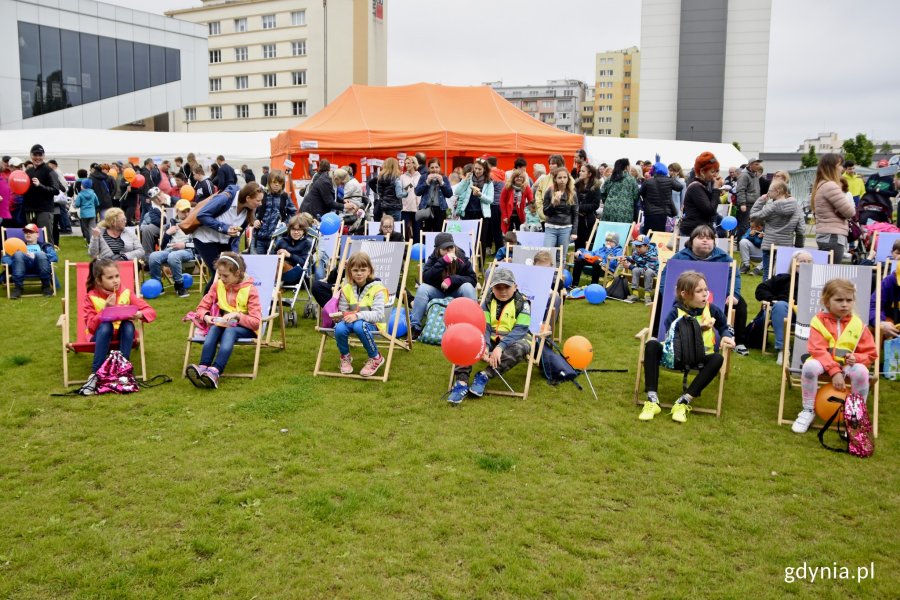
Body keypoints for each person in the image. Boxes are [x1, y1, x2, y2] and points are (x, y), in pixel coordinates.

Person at [638, 270, 735, 423]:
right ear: (685, 294)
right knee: (651, 344)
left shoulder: (712, 309)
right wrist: (698, 328)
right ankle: (652, 399)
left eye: (705, 290)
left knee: (717, 358)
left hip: (699, 358)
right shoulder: (674, 312)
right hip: (674, 356)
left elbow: (725, 326)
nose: (705, 294)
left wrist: (726, 336)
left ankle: (684, 401)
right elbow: (673, 336)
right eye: (699, 291)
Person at [792, 278, 877, 433]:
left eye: (849, 300)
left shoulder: (858, 325)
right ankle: (808, 410)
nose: (844, 304)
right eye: (839, 300)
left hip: (848, 366)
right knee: (809, 367)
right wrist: (835, 371)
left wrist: (857, 358)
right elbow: (817, 349)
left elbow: (871, 353)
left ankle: (855, 417)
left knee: (862, 371)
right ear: (826, 301)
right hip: (823, 362)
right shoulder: (818, 321)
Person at [658, 225, 750, 356]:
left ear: (714, 241)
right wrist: (666, 293)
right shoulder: (680, 257)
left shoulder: (723, 257)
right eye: (700, 237)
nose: (705, 240)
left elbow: (734, 276)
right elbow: (665, 278)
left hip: (713, 296)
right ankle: (658, 333)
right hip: (686, 297)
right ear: (691, 241)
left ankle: (739, 341)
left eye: (709, 238)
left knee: (740, 303)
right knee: (661, 299)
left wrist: (733, 294)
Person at [447, 267, 532, 405]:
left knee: (521, 347)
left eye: (507, 287)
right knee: (465, 341)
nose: (503, 290)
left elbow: (520, 329)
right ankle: (461, 382)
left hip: (514, 339)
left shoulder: (523, 303)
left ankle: (484, 375)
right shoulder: (487, 302)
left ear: (515, 287)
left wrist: (500, 347)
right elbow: (484, 326)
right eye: (498, 287)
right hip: (491, 337)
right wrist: (484, 345)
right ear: (492, 288)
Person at [79, 258, 157, 395]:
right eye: (110, 277)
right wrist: (105, 309)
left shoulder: (126, 293)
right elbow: (91, 327)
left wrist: (138, 314)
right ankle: (95, 374)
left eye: (117, 276)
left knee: (127, 324)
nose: (115, 280)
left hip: (122, 334)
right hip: (99, 336)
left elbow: (151, 312)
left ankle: (123, 371)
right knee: (106, 325)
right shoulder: (90, 297)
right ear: (99, 280)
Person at [186, 253, 262, 389]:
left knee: (230, 330)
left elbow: (256, 322)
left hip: (246, 328)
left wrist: (238, 315)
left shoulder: (251, 290)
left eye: (225, 276)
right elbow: (201, 307)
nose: (221, 278)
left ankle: (215, 371)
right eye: (219, 275)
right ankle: (203, 368)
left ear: (237, 273)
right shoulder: (218, 285)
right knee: (214, 328)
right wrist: (206, 317)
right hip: (225, 323)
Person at [193, 182, 262, 291]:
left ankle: (223, 304)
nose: (260, 203)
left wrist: (234, 253)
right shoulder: (225, 198)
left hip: (224, 242)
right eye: (258, 200)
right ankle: (206, 306)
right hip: (205, 239)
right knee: (220, 272)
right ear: (248, 198)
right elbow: (202, 215)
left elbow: (237, 236)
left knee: (231, 271)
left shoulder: (249, 210)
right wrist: (224, 228)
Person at [409, 232, 477, 339]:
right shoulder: (433, 259)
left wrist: (452, 279)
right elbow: (426, 278)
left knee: (468, 287)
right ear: (438, 249)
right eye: (445, 249)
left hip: (456, 292)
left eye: (451, 247)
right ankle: (414, 326)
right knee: (422, 288)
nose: (449, 251)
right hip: (438, 292)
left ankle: (474, 324)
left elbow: (473, 279)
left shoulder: (461, 257)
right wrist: (442, 262)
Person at [332, 252, 388, 377]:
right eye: (355, 270)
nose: (359, 273)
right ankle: (345, 357)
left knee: (359, 326)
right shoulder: (346, 289)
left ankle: (376, 357)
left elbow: (378, 314)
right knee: (340, 327)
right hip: (352, 322)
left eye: (363, 270)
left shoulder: (377, 289)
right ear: (350, 271)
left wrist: (358, 315)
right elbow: (343, 310)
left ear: (369, 271)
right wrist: (340, 316)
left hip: (373, 325)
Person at [755, 250, 813, 365]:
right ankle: (783, 349)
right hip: (786, 312)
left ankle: (812, 350)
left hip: (809, 312)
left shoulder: (817, 281)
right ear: (793, 263)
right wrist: (773, 299)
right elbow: (761, 289)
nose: (805, 264)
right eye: (802, 261)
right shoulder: (783, 278)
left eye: (809, 261)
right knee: (780, 305)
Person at [749, 178, 805, 282]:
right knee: (783, 274)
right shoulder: (797, 207)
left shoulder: (771, 207)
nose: (768, 193)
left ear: (778, 191)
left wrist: (761, 200)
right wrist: (798, 247)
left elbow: (753, 216)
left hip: (769, 244)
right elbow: (801, 230)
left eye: (770, 191)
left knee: (767, 273)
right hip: (786, 246)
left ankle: (766, 296)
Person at [811, 153, 855, 264]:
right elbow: (850, 212)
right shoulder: (830, 186)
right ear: (833, 166)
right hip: (833, 236)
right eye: (841, 165)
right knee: (831, 274)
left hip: (825, 235)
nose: (842, 168)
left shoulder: (821, 184)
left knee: (825, 273)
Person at [147, 199, 195, 298]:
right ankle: (158, 285)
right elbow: (162, 246)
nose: (186, 214)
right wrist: (167, 233)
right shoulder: (170, 225)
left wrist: (184, 245)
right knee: (153, 256)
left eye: (188, 211)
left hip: (187, 250)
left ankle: (179, 285)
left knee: (173, 256)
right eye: (183, 211)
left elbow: (198, 245)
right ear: (177, 211)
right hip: (170, 250)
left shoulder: (194, 224)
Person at [2, 222, 57, 298]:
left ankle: (46, 287)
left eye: (31, 232)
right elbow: (5, 259)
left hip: (40, 266)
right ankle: (18, 288)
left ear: (37, 234)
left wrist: (35, 255)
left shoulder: (44, 246)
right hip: (22, 267)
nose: (28, 234)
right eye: (26, 232)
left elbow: (54, 257)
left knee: (40, 254)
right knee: (18, 254)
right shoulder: (18, 246)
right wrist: (16, 260)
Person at [252, 170, 295, 254]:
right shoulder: (261, 194)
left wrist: (286, 224)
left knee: (273, 265)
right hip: (258, 237)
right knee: (256, 263)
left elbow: (293, 212)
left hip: (276, 239)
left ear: (282, 184)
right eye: (274, 182)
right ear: (269, 182)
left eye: (279, 183)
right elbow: (251, 210)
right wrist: (254, 220)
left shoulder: (285, 197)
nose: (276, 185)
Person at [680, 152, 721, 236]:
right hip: (693, 233)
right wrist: (716, 189)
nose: (716, 175)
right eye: (712, 172)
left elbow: (715, 204)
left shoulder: (703, 186)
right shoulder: (696, 187)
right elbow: (710, 210)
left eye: (717, 171)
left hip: (700, 231)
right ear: (702, 171)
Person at [459, 159, 494, 252]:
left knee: (481, 240)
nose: (477, 171)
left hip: (482, 214)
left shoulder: (489, 182)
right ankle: (467, 263)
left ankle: (481, 265)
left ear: (485, 170)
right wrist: (464, 180)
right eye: (475, 168)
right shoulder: (468, 179)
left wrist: (480, 195)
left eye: (480, 169)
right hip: (468, 213)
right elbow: (457, 192)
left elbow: (490, 200)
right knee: (467, 238)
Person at [639, 160, 682, 234]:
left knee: (649, 236)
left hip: (650, 214)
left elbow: (640, 193)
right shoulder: (669, 181)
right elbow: (680, 187)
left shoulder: (648, 182)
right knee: (662, 237)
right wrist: (672, 177)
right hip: (665, 213)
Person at [274, 213, 315, 286]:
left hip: (296, 271)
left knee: (280, 264)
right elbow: (272, 256)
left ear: (303, 231)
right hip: (279, 268)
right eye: (293, 229)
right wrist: (277, 255)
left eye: (299, 230)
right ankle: (276, 284)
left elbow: (303, 263)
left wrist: (290, 255)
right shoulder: (282, 241)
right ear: (289, 230)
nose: (296, 232)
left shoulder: (306, 243)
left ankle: (276, 286)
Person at [542, 168, 577, 251]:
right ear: (555, 179)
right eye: (560, 177)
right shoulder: (549, 191)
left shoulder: (572, 193)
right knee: (547, 252)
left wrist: (574, 231)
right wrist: (553, 204)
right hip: (551, 227)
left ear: (568, 179)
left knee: (561, 256)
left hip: (566, 227)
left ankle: (562, 264)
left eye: (565, 177)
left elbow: (575, 213)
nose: (562, 180)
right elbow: (546, 212)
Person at [22, 144, 56, 232]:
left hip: (44, 211)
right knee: (30, 238)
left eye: (40, 155)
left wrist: (40, 185)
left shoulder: (49, 171)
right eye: (35, 155)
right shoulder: (28, 171)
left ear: (44, 156)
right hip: (29, 210)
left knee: (45, 238)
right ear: (31, 155)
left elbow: (56, 190)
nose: (37, 157)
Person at [414, 158, 453, 233]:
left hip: (440, 209)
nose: (434, 170)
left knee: (439, 232)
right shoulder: (423, 177)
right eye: (432, 167)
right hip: (426, 208)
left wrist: (442, 183)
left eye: (436, 167)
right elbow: (417, 192)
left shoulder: (444, 178)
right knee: (425, 232)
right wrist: (427, 182)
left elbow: (449, 194)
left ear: (439, 168)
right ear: (428, 168)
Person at [600, 158, 639, 224]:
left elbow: (602, 192)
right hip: (625, 210)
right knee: (623, 231)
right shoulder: (631, 180)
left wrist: (607, 201)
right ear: (626, 167)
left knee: (608, 231)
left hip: (609, 208)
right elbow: (635, 195)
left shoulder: (610, 178)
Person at [625, 234, 659, 305]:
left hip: (652, 271)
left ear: (646, 246)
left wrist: (631, 266)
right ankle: (635, 294)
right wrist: (626, 258)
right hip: (642, 269)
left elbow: (647, 268)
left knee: (647, 272)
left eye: (640, 246)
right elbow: (634, 259)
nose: (637, 248)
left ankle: (647, 296)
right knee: (635, 270)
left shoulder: (652, 255)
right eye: (636, 246)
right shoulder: (637, 252)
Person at [573, 163, 601, 250]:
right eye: (580, 171)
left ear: (589, 174)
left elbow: (595, 205)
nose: (580, 173)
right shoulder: (576, 185)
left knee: (587, 245)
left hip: (588, 221)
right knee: (577, 244)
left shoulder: (595, 187)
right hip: (576, 219)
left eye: (583, 171)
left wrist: (579, 208)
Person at [735, 158, 763, 238]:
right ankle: (740, 244)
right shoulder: (744, 175)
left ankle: (747, 242)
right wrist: (742, 203)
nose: (759, 166)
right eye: (756, 164)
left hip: (754, 203)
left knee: (751, 225)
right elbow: (740, 189)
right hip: (746, 204)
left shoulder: (755, 174)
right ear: (750, 165)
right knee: (744, 225)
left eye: (759, 164)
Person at [500, 169, 533, 234]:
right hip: (509, 215)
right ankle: (509, 244)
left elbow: (531, 202)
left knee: (520, 233)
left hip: (521, 215)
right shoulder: (507, 187)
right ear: (513, 178)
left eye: (521, 177)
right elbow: (502, 202)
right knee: (509, 234)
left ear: (524, 179)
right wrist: (505, 216)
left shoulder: (526, 188)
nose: (519, 178)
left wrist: (530, 215)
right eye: (517, 177)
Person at [375, 158, 407, 222]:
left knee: (384, 227)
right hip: (394, 207)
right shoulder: (396, 179)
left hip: (383, 207)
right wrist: (406, 193)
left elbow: (379, 192)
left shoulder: (380, 178)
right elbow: (399, 194)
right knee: (395, 228)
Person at [139, 187, 168, 257]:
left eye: (159, 195)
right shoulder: (153, 209)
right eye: (155, 198)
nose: (158, 199)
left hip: (177, 225)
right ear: (152, 200)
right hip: (163, 228)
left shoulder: (172, 201)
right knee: (148, 229)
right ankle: (148, 256)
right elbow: (157, 222)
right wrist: (165, 219)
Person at [399, 156, 421, 241]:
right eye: (405, 163)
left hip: (417, 207)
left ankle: (417, 248)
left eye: (408, 163)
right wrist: (411, 184)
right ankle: (404, 248)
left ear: (414, 163)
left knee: (417, 230)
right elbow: (402, 191)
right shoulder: (402, 177)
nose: (406, 165)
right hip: (405, 207)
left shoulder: (420, 176)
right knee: (404, 229)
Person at [74, 179, 100, 244]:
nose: (80, 186)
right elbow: (97, 203)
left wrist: (76, 205)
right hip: (92, 213)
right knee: (92, 228)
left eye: (81, 185)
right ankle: (94, 242)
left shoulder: (80, 195)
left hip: (84, 214)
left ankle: (89, 243)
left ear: (83, 186)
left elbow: (77, 204)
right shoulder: (93, 194)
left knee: (86, 229)